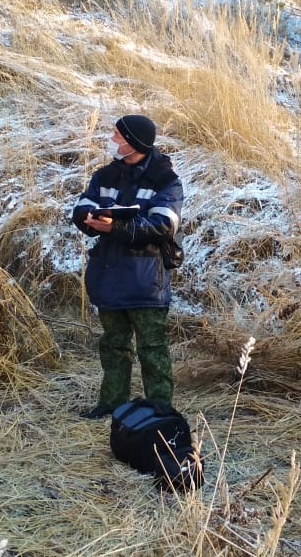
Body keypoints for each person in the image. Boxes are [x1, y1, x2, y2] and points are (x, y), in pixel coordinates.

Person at [71, 114, 183, 419]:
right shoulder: (104, 175)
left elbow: (163, 225)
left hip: (146, 281)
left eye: (117, 136)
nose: (112, 140)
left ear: (134, 143)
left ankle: (160, 412)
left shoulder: (166, 180)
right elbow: (82, 207)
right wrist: (90, 219)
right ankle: (111, 404)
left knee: (152, 350)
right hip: (109, 277)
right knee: (113, 346)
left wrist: (114, 228)